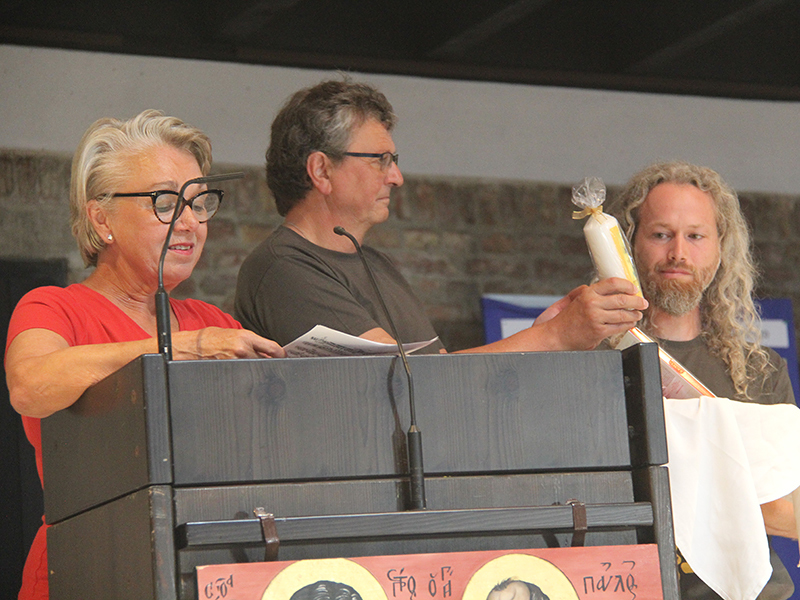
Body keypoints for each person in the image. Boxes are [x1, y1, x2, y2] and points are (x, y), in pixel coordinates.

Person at [4, 109, 285, 600]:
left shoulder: (213, 323)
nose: (190, 222)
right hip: (91, 563)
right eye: (165, 202)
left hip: (206, 564)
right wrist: (182, 347)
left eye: (199, 203)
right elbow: (30, 385)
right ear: (102, 218)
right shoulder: (54, 307)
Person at [234, 78, 647, 352]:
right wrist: (554, 337)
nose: (396, 177)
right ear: (322, 170)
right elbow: (400, 384)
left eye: (393, 160)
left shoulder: (374, 263)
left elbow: (440, 373)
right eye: (379, 159)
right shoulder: (284, 268)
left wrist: (541, 334)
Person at [609, 160, 797, 600]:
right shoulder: (597, 362)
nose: (678, 253)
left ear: (720, 248)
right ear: (630, 243)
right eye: (661, 234)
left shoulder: (760, 371)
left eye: (695, 236)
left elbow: (791, 516)